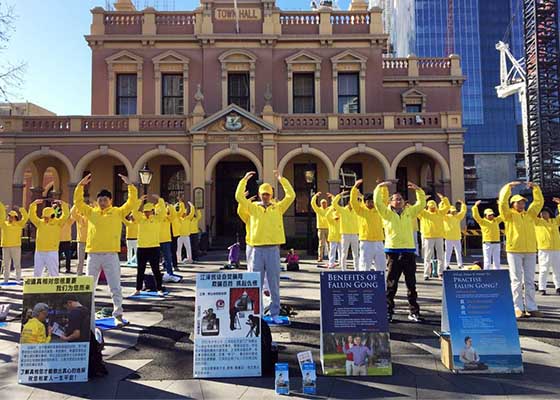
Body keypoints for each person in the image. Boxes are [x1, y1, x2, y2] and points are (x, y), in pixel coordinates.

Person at [74, 173, 138, 327]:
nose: (102, 202)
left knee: (115, 286)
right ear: (97, 201)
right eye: (100, 200)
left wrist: (130, 186)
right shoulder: (91, 212)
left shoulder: (117, 212)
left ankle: (118, 315)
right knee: (90, 287)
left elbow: (131, 203)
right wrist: (80, 186)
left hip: (110, 255)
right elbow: (78, 202)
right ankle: (88, 317)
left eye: (105, 199)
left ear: (110, 201)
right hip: (93, 255)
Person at [235, 170, 295, 324]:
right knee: (256, 283)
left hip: (273, 249)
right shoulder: (253, 208)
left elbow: (291, 196)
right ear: (260, 194)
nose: (265, 196)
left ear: (271, 194)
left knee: (274, 283)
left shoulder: (278, 208)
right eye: (263, 193)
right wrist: (244, 180)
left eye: (268, 194)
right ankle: (258, 313)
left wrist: (282, 180)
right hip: (256, 249)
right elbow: (239, 197)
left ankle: (274, 313)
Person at [374, 181, 426, 323]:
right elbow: (377, 202)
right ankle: (388, 311)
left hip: (408, 251)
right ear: (390, 202)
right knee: (391, 284)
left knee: (411, 284)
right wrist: (379, 188)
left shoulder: (410, 212)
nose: (398, 201)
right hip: (393, 251)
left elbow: (421, 204)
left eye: (400, 199)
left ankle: (414, 312)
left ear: (404, 202)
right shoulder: (386, 213)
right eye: (395, 199)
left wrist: (418, 190)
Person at [498, 181, 543, 319]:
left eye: (523, 202)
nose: (522, 204)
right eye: (518, 202)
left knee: (529, 280)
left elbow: (538, 202)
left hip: (530, 250)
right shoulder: (508, 215)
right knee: (516, 280)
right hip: (514, 250)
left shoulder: (530, 214)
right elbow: (502, 203)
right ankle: (517, 308)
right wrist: (508, 188)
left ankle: (531, 307)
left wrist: (535, 188)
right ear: (513, 204)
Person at [133, 196, 166, 296]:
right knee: (140, 270)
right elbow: (134, 211)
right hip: (141, 248)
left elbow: (163, 210)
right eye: (145, 211)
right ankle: (138, 289)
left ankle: (159, 289)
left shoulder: (157, 219)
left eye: (149, 211)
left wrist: (160, 200)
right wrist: (139, 201)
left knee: (156, 269)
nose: (147, 213)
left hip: (154, 247)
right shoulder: (140, 219)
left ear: (153, 211)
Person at [350, 179, 385, 272]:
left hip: (379, 241)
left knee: (381, 266)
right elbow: (353, 202)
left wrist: (383, 187)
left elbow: (384, 201)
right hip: (366, 242)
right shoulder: (360, 210)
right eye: (369, 201)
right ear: (364, 202)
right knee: (365, 265)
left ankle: (382, 285)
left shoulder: (379, 210)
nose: (371, 203)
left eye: (372, 201)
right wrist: (355, 188)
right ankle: (364, 285)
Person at [29, 199, 69, 277]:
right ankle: (35, 288)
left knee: (54, 272)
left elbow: (66, 215)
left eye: (47, 217)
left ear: (52, 215)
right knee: (37, 272)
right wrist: (33, 205)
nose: (45, 219)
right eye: (44, 217)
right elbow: (32, 216)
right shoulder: (40, 223)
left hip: (52, 251)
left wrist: (63, 204)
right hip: (39, 251)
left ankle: (54, 287)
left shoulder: (58, 223)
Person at [418, 193, 450, 279]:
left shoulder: (440, 213)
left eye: (433, 207)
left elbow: (447, 206)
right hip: (428, 237)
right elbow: (418, 208)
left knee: (441, 256)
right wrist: (423, 199)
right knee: (427, 256)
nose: (432, 209)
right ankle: (426, 274)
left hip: (439, 236)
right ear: (428, 207)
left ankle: (440, 273)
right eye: (431, 207)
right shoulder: (424, 213)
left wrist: (443, 198)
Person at [535, 201, 560, 296]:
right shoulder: (537, 222)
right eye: (542, 212)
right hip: (544, 249)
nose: (543, 214)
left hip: (557, 248)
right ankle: (542, 288)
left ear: (549, 214)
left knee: (557, 269)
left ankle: (558, 287)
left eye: (545, 212)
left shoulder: (555, 222)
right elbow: (532, 214)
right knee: (544, 269)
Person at [0, 203, 28, 283]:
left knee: (17, 264)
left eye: (12, 216)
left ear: (15, 217)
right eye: (9, 216)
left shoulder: (19, 224)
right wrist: (3, 209)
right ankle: (5, 280)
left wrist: (20, 209)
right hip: (6, 246)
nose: (10, 218)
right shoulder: (4, 224)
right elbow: (1, 217)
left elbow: (25, 217)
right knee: (6, 265)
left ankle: (18, 279)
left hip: (16, 247)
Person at [472, 200, 503, 270]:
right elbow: (475, 216)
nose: (491, 216)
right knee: (487, 261)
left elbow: (503, 215)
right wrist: (475, 207)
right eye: (489, 215)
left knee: (497, 260)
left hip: (497, 243)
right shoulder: (482, 221)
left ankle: (497, 273)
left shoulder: (496, 220)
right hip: (487, 243)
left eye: (492, 214)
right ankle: (486, 273)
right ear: (485, 215)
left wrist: (500, 205)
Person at [332, 191, 359, 270]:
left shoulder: (357, 211)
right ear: (348, 202)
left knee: (356, 254)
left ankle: (357, 269)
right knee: (344, 253)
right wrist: (340, 195)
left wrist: (360, 196)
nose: (353, 204)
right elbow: (334, 204)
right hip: (345, 234)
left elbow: (364, 205)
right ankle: (343, 270)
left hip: (355, 234)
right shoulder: (342, 210)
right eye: (351, 202)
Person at [159, 202, 180, 283]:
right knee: (157, 258)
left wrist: (170, 206)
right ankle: (158, 274)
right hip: (156, 240)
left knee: (168, 256)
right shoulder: (156, 218)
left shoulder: (168, 218)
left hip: (167, 239)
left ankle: (170, 273)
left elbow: (174, 214)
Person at [443, 201, 466, 270]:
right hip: (448, 237)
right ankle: (446, 265)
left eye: (454, 211)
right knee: (448, 252)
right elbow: (441, 213)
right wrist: (443, 203)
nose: (454, 212)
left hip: (457, 237)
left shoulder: (457, 216)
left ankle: (460, 264)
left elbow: (463, 211)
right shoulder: (446, 217)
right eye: (452, 211)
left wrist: (463, 205)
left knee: (458, 251)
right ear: (449, 211)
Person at [310, 193, 329, 262]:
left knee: (330, 243)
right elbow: (312, 203)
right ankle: (320, 257)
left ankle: (331, 258)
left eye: (325, 203)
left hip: (328, 228)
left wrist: (332, 197)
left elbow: (334, 205)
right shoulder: (318, 210)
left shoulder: (329, 209)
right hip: (321, 228)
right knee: (321, 244)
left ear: (327, 204)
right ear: (321, 204)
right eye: (323, 203)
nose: (324, 204)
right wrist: (315, 196)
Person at [57, 204, 75, 273]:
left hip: (67, 241)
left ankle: (68, 269)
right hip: (58, 241)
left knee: (68, 256)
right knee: (57, 256)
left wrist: (71, 208)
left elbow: (73, 216)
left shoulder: (69, 221)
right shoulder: (58, 221)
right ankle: (57, 268)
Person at [71, 205, 88, 275]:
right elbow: (72, 212)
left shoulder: (91, 217)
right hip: (81, 241)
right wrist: (76, 204)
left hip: (91, 241)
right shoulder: (79, 218)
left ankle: (90, 274)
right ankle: (79, 274)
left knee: (92, 260)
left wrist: (94, 204)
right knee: (80, 260)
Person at [325, 203, 341, 269]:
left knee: (341, 251)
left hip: (340, 237)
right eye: (335, 217)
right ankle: (331, 264)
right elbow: (327, 215)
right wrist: (332, 207)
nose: (336, 218)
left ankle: (341, 263)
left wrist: (336, 207)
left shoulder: (341, 220)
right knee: (332, 251)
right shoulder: (330, 220)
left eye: (337, 217)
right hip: (333, 237)